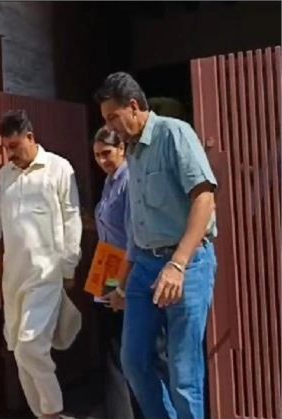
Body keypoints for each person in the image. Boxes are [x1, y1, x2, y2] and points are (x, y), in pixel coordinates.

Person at [94, 72, 218, 419]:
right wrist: (121, 284)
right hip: (145, 266)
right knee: (133, 362)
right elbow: (138, 226)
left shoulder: (174, 134)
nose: (109, 127)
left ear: (133, 106)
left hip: (187, 264)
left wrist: (177, 264)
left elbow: (204, 198)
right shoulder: (132, 153)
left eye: (112, 117)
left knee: (183, 374)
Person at [0, 110, 82, 419]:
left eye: (15, 146)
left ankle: (53, 411)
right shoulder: (5, 176)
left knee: (31, 346)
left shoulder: (59, 168)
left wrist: (69, 267)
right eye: (7, 147)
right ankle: (43, 415)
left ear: (31, 138)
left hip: (46, 275)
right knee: (20, 353)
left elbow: (72, 220)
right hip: (14, 279)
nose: (10, 154)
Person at [91, 127, 143, 419]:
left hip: (127, 269)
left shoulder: (128, 181)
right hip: (108, 267)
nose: (102, 161)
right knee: (111, 346)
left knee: (125, 349)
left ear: (122, 149)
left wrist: (121, 287)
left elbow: (133, 236)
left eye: (107, 153)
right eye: (97, 155)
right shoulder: (110, 182)